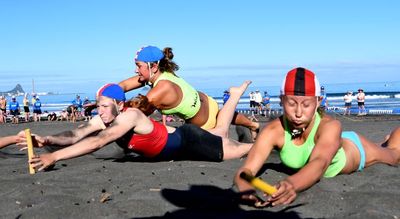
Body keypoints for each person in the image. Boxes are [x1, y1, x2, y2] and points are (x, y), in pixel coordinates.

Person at [234, 67, 400, 207]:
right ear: (281, 100)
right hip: (334, 142)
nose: (298, 113)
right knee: (386, 146)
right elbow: (246, 170)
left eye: (306, 105)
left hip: (356, 150)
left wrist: (292, 184)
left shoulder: (331, 126)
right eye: (291, 104)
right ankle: (384, 141)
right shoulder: (272, 131)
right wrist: (244, 187)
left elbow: (319, 163)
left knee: (393, 154)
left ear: (318, 101)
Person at [27, 82, 254, 171]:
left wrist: (53, 157)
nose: (101, 111)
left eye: (105, 106)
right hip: (178, 144)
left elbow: (97, 142)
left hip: (189, 141)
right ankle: (233, 97)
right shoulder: (103, 119)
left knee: (245, 150)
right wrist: (47, 140)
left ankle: (235, 98)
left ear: (119, 104)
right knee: (221, 133)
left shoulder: (130, 116)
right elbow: (76, 134)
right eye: (98, 106)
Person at [118, 46, 259, 138]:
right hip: (208, 101)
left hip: (205, 126)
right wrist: (106, 96)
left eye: (138, 66)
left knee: (219, 128)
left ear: (153, 67)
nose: (136, 70)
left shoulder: (160, 90)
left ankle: (248, 133)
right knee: (221, 114)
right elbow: (122, 86)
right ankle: (253, 125)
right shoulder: (164, 72)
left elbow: (134, 114)